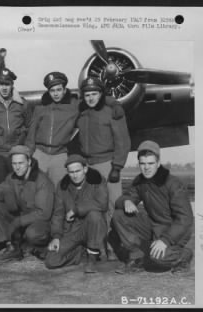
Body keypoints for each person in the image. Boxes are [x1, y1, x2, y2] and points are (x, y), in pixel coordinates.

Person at [111, 140, 194, 274]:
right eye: (142, 164)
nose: (146, 168)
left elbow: (185, 219)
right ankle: (137, 258)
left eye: (150, 163)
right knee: (119, 215)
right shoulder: (140, 181)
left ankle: (184, 255)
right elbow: (125, 197)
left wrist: (166, 240)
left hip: (174, 230)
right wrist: (126, 201)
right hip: (153, 226)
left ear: (158, 163)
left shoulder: (173, 184)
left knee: (157, 258)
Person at [76, 77, 131, 259]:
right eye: (87, 95)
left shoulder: (112, 112)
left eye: (94, 94)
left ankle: (119, 246)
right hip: (89, 166)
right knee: (96, 208)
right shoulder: (82, 112)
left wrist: (117, 166)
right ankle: (99, 247)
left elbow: (123, 141)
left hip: (107, 164)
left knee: (114, 207)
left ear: (101, 94)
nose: (90, 98)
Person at [0, 145, 55, 261]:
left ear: (29, 161)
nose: (17, 167)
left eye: (20, 163)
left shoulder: (42, 181)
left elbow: (44, 213)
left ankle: (38, 246)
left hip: (40, 221)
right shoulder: (11, 177)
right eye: (14, 164)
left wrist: (19, 221)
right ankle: (13, 246)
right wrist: (5, 193)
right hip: (22, 218)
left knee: (33, 234)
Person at [45, 155, 108, 273]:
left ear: (85, 169)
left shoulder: (97, 180)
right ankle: (80, 252)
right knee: (51, 261)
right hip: (72, 230)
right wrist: (56, 236)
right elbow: (58, 213)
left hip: (91, 227)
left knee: (94, 215)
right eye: (71, 172)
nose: (75, 175)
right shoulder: (62, 185)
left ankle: (92, 258)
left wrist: (76, 210)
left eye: (78, 171)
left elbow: (102, 204)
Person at [0, 68, 33, 188]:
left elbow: (29, 126)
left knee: (19, 186)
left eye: (7, 84)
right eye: (1, 84)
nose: (4, 88)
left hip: (17, 153)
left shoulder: (22, 104)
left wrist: (26, 149)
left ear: (12, 85)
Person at [25, 72, 79, 187]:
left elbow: (97, 98)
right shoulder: (40, 109)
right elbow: (31, 134)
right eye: (52, 90)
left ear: (65, 90)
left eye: (59, 90)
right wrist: (30, 155)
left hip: (60, 156)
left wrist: (115, 104)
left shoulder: (74, 108)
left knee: (59, 189)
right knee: (36, 188)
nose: (56, 94)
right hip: (40, 154)